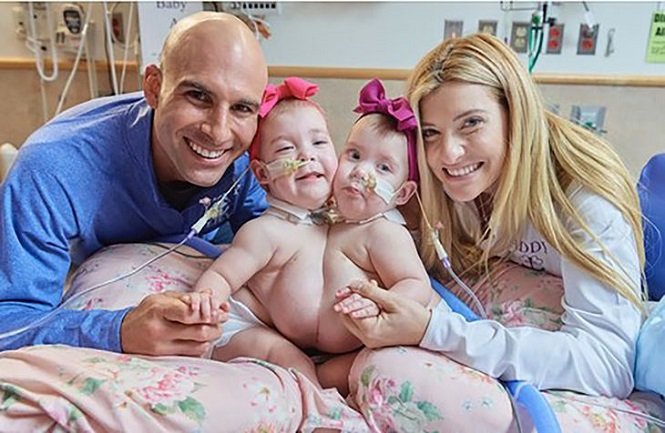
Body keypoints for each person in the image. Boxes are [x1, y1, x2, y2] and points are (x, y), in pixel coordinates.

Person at [340, 33, 665, 432]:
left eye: (471, 123)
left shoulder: (583, 198)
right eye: (431, 132)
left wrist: (435, 331)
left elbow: (607, 365)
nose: (449, 154)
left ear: (515, 114)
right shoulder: (439, 186)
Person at [0, 12, 268, 357]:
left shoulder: (251, 159)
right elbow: (9, 320)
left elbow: (287, 247)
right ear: (154, 87)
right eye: (198, 96)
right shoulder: (54, 167)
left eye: (242, 107)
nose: (218, 132)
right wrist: (117, 330)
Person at [189, 78, 431, 395]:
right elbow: (222, 275)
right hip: (261, 331)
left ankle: (323, 385)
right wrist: (205, 301)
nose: (307, 156)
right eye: (286, 149)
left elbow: (415, 283)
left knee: (374, 362)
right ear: (262, 173)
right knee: (285, 356)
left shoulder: (374, 230)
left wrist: (378, 305)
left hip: (345, 347)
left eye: (319, 143)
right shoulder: (266, 231)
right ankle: (318, 407)